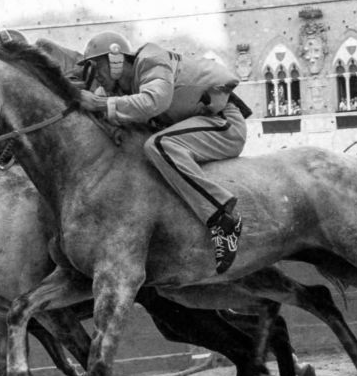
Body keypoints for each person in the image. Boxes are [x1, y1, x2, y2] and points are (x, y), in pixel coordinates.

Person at [76, 32, 250, 273]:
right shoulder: (122, 90)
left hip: (223, 125)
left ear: (116, 59)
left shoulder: (151, 59)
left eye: (97, 66)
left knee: (159, 145)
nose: (96, 75)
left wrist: (101, 105)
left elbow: (154, 101)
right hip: (201, 130)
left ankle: (223, 219)